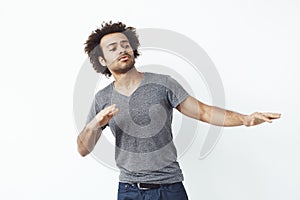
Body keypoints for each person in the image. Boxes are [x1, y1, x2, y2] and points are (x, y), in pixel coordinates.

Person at [77, 21, 281, 200]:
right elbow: (83, 149)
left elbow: (203, 112)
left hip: (169, 188)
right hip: (129, 190)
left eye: (125, 45)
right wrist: (95, 124)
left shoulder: (163, 83)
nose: (122, 50)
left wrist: (245, 119)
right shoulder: (102, 98)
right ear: (102, 60)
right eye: (113, 48)